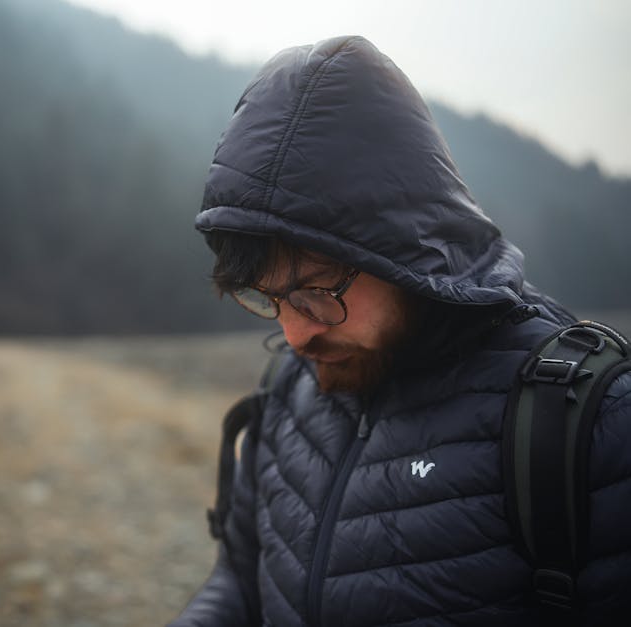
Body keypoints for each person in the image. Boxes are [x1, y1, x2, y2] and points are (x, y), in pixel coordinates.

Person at [169, 36, 631, 626]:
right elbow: (240, 580)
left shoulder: (586, 423)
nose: (294, 336)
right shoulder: (288, 388)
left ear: (405, 255)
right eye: (271, 297)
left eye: (317, 291)